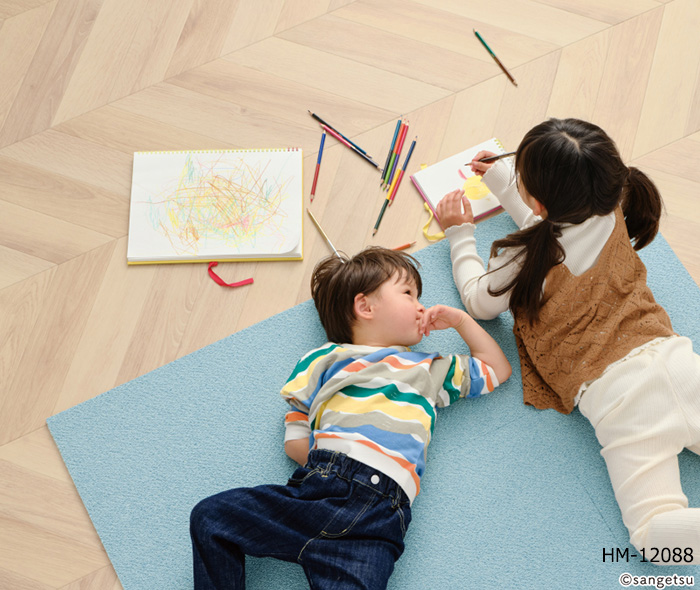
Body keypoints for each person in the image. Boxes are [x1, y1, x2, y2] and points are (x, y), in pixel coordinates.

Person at [437, 117, 700, 564]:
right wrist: (505, 184)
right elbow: (557, 229)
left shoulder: (524, 257)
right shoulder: (613, 202)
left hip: (624, 403)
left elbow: (479, 301)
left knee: (658, 541)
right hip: (676, 360)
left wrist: (459, 234)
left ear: (539, 202)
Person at [190, 246, 511, 589]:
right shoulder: (325, 359)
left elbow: (497, 368)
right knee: (210, 517)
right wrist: (328, 461)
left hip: (378, 520)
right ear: (365, 307)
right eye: (408, 293)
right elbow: (295, 438)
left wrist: (461, 320)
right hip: (320, 490)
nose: (421, 306)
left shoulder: (429, 368)